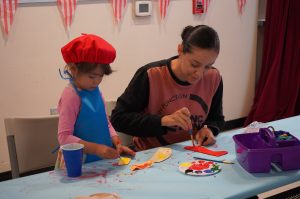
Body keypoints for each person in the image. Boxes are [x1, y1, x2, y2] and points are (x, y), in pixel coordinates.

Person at [111, 25, 225, 151]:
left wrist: (209, 129)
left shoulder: (213, 77)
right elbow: (118, 119)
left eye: (208, 66)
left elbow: (216, 118)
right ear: (180, 50)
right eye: (194, 64)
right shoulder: (151, 75)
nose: (199, 73)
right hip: (151, 154)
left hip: (194, 152)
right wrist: (163, 121)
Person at [57, 34, 135, 163]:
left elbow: (105, 121)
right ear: (73, 69)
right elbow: (64, 138)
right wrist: (96, 149)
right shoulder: (71, 96)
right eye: (92, 77)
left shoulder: (95, 91)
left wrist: (116, 140)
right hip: (79, 162)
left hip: (100, 161)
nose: (97, 82)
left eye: (101, 76)